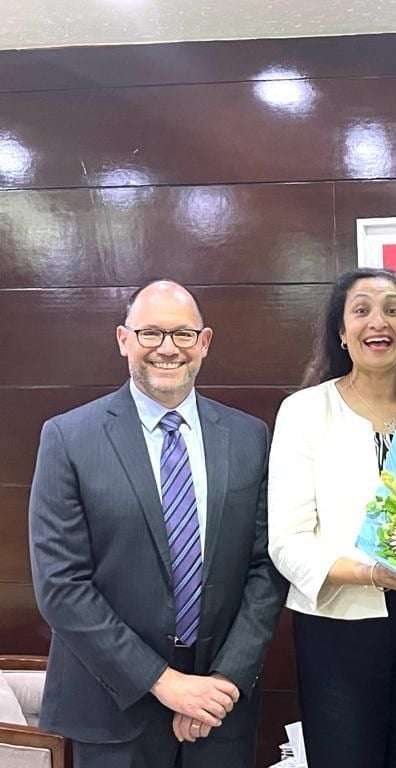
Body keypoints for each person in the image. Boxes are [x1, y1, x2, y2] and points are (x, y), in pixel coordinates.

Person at [28, 280, 285, 768]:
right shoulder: (68, 438)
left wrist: (225, 680)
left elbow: (266, 568)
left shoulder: (250, 437)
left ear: (204, 343)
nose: (167, 348)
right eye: (150, 333)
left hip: (218, 709)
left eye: (183, 334)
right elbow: (61, 586)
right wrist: (165, 683)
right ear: (123, 339)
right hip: (111, 708)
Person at [268, 267, 396, 768]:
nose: (378, 322)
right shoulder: (305, 411)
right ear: (342, 332)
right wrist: (374, 574)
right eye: (361, 311)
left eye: (392, 310)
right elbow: (287, 542)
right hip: (341, 626)